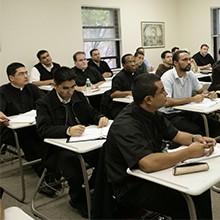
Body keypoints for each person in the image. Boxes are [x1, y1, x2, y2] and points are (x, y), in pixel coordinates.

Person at [104, 73, 214, 220]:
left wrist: (196, 138)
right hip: (132, 185)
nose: (166, 93)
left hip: (153, 174)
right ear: (148, 99)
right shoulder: (126, 125)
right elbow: (147, 164)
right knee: (183, 200)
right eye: (162, 91)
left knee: (201, 191)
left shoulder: (152, 113)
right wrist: (188, 152)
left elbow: (176, 135)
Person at [36, 66, 108, 218]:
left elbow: (92, 113)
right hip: (58, 149)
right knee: (73, 164)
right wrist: (67, 130)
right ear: (54, 86)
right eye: (65, 88)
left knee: (107, 154)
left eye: (73, 87)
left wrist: (100, 117)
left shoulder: (78, 96)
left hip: (84, 143)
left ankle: (93, 187)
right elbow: (43, 129)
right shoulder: (44, 102)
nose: (70, 92)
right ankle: (78, 199)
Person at [160, 50, 220, 137]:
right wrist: (191, 99)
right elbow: (166, 102)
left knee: (216, 126)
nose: (189, 62)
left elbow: (201, 91)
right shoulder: (167, 77)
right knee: (196, 131)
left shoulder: (190, 74)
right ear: (176, 63)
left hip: (188, 111)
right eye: (184, 60)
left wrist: (209, 94)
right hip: (171, 115)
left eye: (189, 59)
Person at [0, 62, 45, 177]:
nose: (26, 76)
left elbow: (45, 103)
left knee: (46, 137)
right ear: (11, 78)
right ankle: (46, 178)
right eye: (21, 74)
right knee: (30, 142)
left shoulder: (31, 88)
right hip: (11, 130)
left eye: (26, 73)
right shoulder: (3, 91)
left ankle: (51, 169)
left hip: (33, 126)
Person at [109, 53, 142, 118]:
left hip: (137, 103)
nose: (133, 64)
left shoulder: (139, 73)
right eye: (130, 62)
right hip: (122, 106)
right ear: (123, 65)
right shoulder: (119, 77)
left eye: (134, 61)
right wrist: (129, 93)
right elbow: (113, 94)